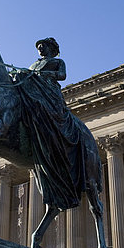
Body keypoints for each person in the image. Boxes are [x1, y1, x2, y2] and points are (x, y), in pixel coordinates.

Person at [16, 37, 87, 211]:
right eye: (38, 46)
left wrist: (47, 74)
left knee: (40, 106)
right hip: (34, 93)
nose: (40, 48)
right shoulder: (33, 65)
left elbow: (62, 76)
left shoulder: (57, 62)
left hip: (49, 94)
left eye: (43, 45)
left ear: (51, 48)